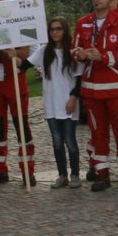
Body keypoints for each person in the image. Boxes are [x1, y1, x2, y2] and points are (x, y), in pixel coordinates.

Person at [72, 0, 118, 190]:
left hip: (116, 87)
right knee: (97, 133)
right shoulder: (83, 23)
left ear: (111, 1)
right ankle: (102, 174)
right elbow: (73, 49)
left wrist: (103, 57)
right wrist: (79, 54)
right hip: (91, 89)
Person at [0, 0, 35, 184]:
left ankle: (28, 170)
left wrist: (8, 51)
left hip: (14, 79)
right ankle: (0, 169)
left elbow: (25, 53)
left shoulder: (17, 21)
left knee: (21, 126)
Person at [40, 17, 82, 187]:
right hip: (51, 104)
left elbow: (79, 79)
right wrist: (13, 55)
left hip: (68, 103)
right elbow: (24, 64)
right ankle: (62, 174)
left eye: (58, 29)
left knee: (70, 141)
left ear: (65, 31)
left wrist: (73, 98)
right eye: (52, 29)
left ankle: (75, 174)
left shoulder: (73, 52)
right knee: (57, 142)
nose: (55, 32)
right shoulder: (45, 51)